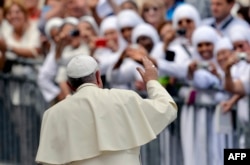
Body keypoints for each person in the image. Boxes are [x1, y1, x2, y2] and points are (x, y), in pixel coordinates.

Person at [35, 55, 178, 165]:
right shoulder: (125, 98)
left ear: (70, 85)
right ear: (98, 76)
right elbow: (167, 108)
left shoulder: (52, 115)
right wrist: (152, 81)